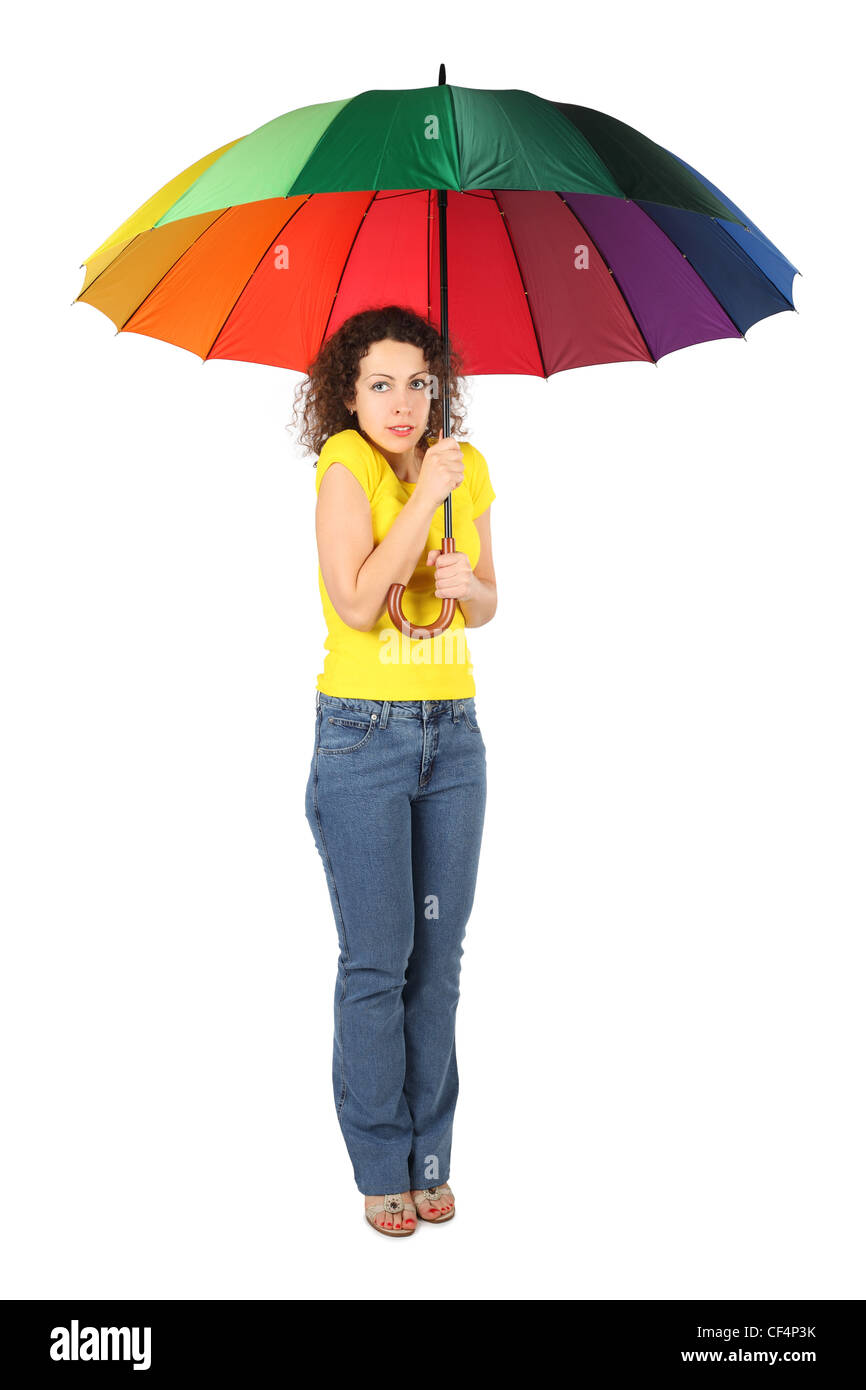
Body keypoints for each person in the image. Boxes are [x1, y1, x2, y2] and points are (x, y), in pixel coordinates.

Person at [292, 305, 497, 1236]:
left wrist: (471, 588)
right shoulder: (346, 464)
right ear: (348, 393)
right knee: (379, 961)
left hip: (453, 733)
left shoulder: (468, 467)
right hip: (365, 738)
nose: (403, 402)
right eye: (381, 382)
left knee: (440, 964)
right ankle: (382, 1163)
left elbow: (488, 604)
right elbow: (360, 603)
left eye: (419, 380)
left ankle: (430, 1156)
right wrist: (422, 497)